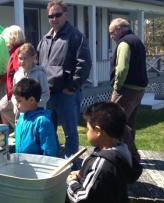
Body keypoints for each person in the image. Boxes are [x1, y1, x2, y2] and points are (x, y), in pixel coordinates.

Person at [67, 102, 142, 203]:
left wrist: (72, 182)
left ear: (99, 131)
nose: (87, 132)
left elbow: (85, 198)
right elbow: (101, 185)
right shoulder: (121, 151)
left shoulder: (103, 163)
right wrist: (82, 175)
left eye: (88, 128)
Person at [37, 0, 91, 168]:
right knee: (49, 130)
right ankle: (52, 162)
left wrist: (72, 86)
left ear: (65, 14)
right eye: (50, 16)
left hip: (66, 93)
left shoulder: (75, 36)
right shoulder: (45, 38)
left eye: (57, 15)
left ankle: (72, 165)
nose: (54, 19)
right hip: (48, 94)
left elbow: (84, 63)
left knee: (70, 132)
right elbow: (38, 63)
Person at [109, 18, 148, 162]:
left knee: (116, 121)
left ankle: (132, 155)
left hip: (126, 89)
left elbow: (122, 68)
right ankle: (127, 155)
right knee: (129, 123)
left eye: (112, 33)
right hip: (139, 89)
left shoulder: (125, 43)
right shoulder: (137, 41)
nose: (111, 36)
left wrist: (117, 87)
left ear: (119, 29)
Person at [13, 78, 57, 156]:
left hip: (36, 165)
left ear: (31, 100)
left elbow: (49, 151)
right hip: (22, 164)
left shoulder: (42, 121)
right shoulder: (21, 117)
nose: (16, 104)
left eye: (19, 101)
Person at [0, 25, 25, 128]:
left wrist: (17, 93)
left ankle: (20, 131)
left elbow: (20, 72)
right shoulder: (16, 51)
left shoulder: (18, 53)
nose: (5, 41)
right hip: (15, 91)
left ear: (12, 38)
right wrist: (2, 78)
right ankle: (19, 129)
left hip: (18, 92)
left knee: (6, 107)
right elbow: (12, 73)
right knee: (3, 106)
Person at [13, 43, 49, 110]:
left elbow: (46, 94)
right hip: (21, 113)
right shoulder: (17, 75)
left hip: (36, 112)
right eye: (20, 58)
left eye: (25, 58)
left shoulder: (40, 74)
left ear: (34, 57)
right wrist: (16, 105)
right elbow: (14, 94)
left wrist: (34, 105)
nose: (22, 61)